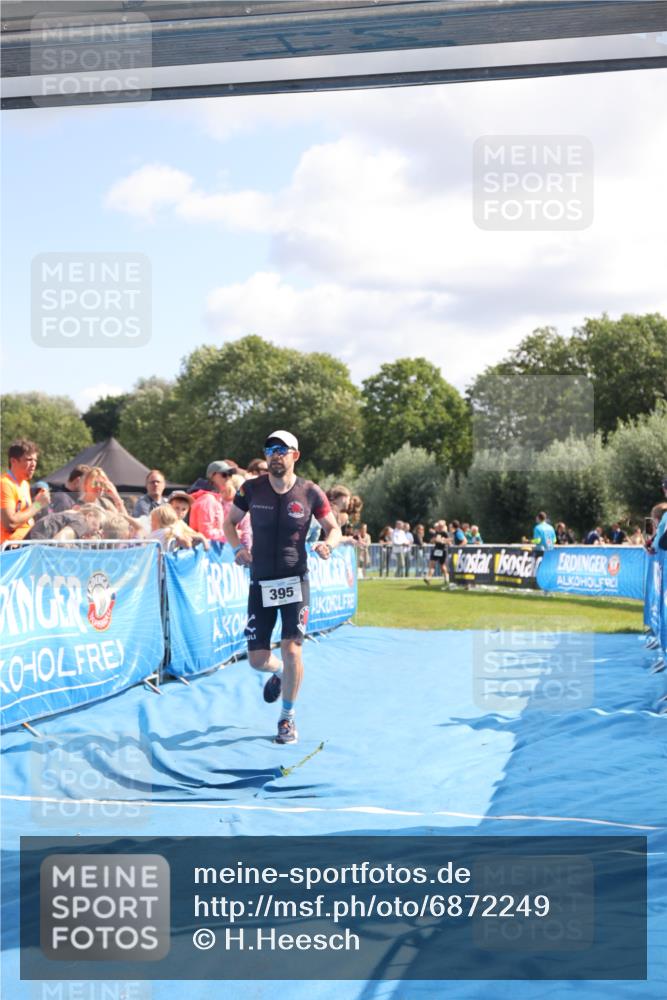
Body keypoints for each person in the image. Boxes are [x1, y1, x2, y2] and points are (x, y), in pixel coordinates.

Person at [223, 429, 341, 745]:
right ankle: (278, 674)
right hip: (261, 580)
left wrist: (328, 544)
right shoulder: (251, 489)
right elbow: (228, 523)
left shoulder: (311, 492)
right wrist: (237, 548)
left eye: (282, 449)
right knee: (258, 659)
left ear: (295, 455)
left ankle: (287, 718)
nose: (275, 454)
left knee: (292, 649)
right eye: (270, 448)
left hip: (295, 580)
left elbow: (334, 528)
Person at [0, 439, 50, 545]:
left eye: (35, 460)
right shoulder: (4, 484)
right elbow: (10, 524)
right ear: (13, 461)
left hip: (26, 545)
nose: (33, 464)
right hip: (10, 548)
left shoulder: (24, 484)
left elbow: (27, 519)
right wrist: (38, 504)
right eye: (29, 460)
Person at [190, 461, 251, 546]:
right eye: (224, 474)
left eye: (230, 474)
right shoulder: (208, 499)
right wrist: (232, 533)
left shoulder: (213, 499)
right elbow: (206, 533)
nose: (228, 478)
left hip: (211, 552)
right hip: (205, 553)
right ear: (212, 476)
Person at [424, 521, 449, 585]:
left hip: (442, 550)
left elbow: (448, 541)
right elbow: (432, 541)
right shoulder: (437, 533)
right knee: (432, 564)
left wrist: (441, 540)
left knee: (442, 565)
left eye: (440, 526)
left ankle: (446, 577)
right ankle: (428, 578)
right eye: (438, 526)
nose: (439, 527)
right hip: (437, 550)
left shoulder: (445, 533)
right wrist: (435, 540)